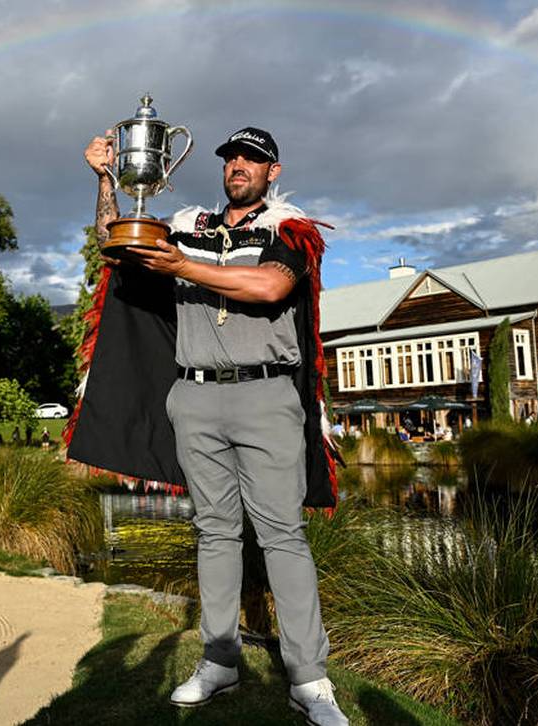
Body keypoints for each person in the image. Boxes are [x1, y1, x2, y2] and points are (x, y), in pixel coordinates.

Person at [70, 126, 347, 725]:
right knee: (216, 533)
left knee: (282, 536)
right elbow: (114, 242)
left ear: (273, 171)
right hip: (195, 397)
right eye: (232, 158)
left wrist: (181, 266)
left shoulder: (287, 230)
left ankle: (309, 677)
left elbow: (269, 285)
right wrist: (107, 180)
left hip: (266, 394)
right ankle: (219, 660)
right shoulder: (190, 226)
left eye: (253, 159)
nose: (240, 166)